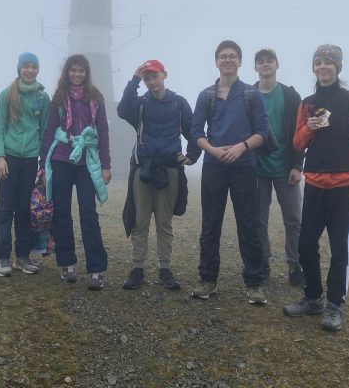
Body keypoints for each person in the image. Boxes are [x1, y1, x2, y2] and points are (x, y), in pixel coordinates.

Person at [283, 44, 349, 332]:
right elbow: (297, 144)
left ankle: (334, 306)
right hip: (315, 184)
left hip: (344, 188)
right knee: (305, 244)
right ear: (314, 67)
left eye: (328, 63)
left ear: (338, 67)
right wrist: (310, 127)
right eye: (319, 62)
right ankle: (313, 298)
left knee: (338, 249)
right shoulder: (307, 103)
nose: (323, 66)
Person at [190, 40, 271, 304]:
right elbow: (195, 133)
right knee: (210, 225)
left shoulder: (251, 94)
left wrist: (241, 147)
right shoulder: (206, 95)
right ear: (216, 62)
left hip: (244, 168)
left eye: (232, 56)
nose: (227, 60)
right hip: (214, 168)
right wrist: (212, 151)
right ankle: (207, 279)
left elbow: (263, 132)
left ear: (240, 61)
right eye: (223, 56)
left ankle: (254, 283)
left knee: (249, 224)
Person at [117, 59, 200, 290]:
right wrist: (133, 80)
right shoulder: (140, 104)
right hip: (143, 168)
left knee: (164, 221)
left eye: (155, 76)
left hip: (169, 168)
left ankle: (165, 268)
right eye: (147, 78)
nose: (151, 81)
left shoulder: (179, 103)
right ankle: (138, 268)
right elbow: (122, 110)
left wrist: (192, 155)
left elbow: (193, 130)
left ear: (165, 74)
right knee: (140, 220)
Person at [42, 54, 111, 291]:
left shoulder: (96, 98)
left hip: (86, 162)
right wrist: (44, 165)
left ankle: (96, 269)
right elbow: (50, 132)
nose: (77, 74)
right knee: (61, 213)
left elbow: (103, 132)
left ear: (86, 73)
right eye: (73, 70)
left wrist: (106, 165)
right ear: (67, 72)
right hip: (61, 159)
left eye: (81, 70)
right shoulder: (58, 98)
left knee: (88, 213)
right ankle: (67, 264)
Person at [0, 52, 51, 277]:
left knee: (26, 208)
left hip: (30, 161)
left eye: (34, 66)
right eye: (26, 66)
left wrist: (44, 164)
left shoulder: (43, 99)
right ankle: (2, 256)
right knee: (6, 207)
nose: (30, 70)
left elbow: (45, 134)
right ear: (19, 69)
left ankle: (22, 257)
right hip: (9, 159)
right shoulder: (6, 95)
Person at [253, 48, 305, 287]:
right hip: (256, 169)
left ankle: (295, 265)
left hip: (286, 168)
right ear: (255, 67)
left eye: (269, 61)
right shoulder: (247, 94)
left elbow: (299, 132)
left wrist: (297, 165)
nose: (265, 65)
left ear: (276, 64)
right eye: (261, 62)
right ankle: (262, 264)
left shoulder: (290, 96)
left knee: (294, 219)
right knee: (258, 220)